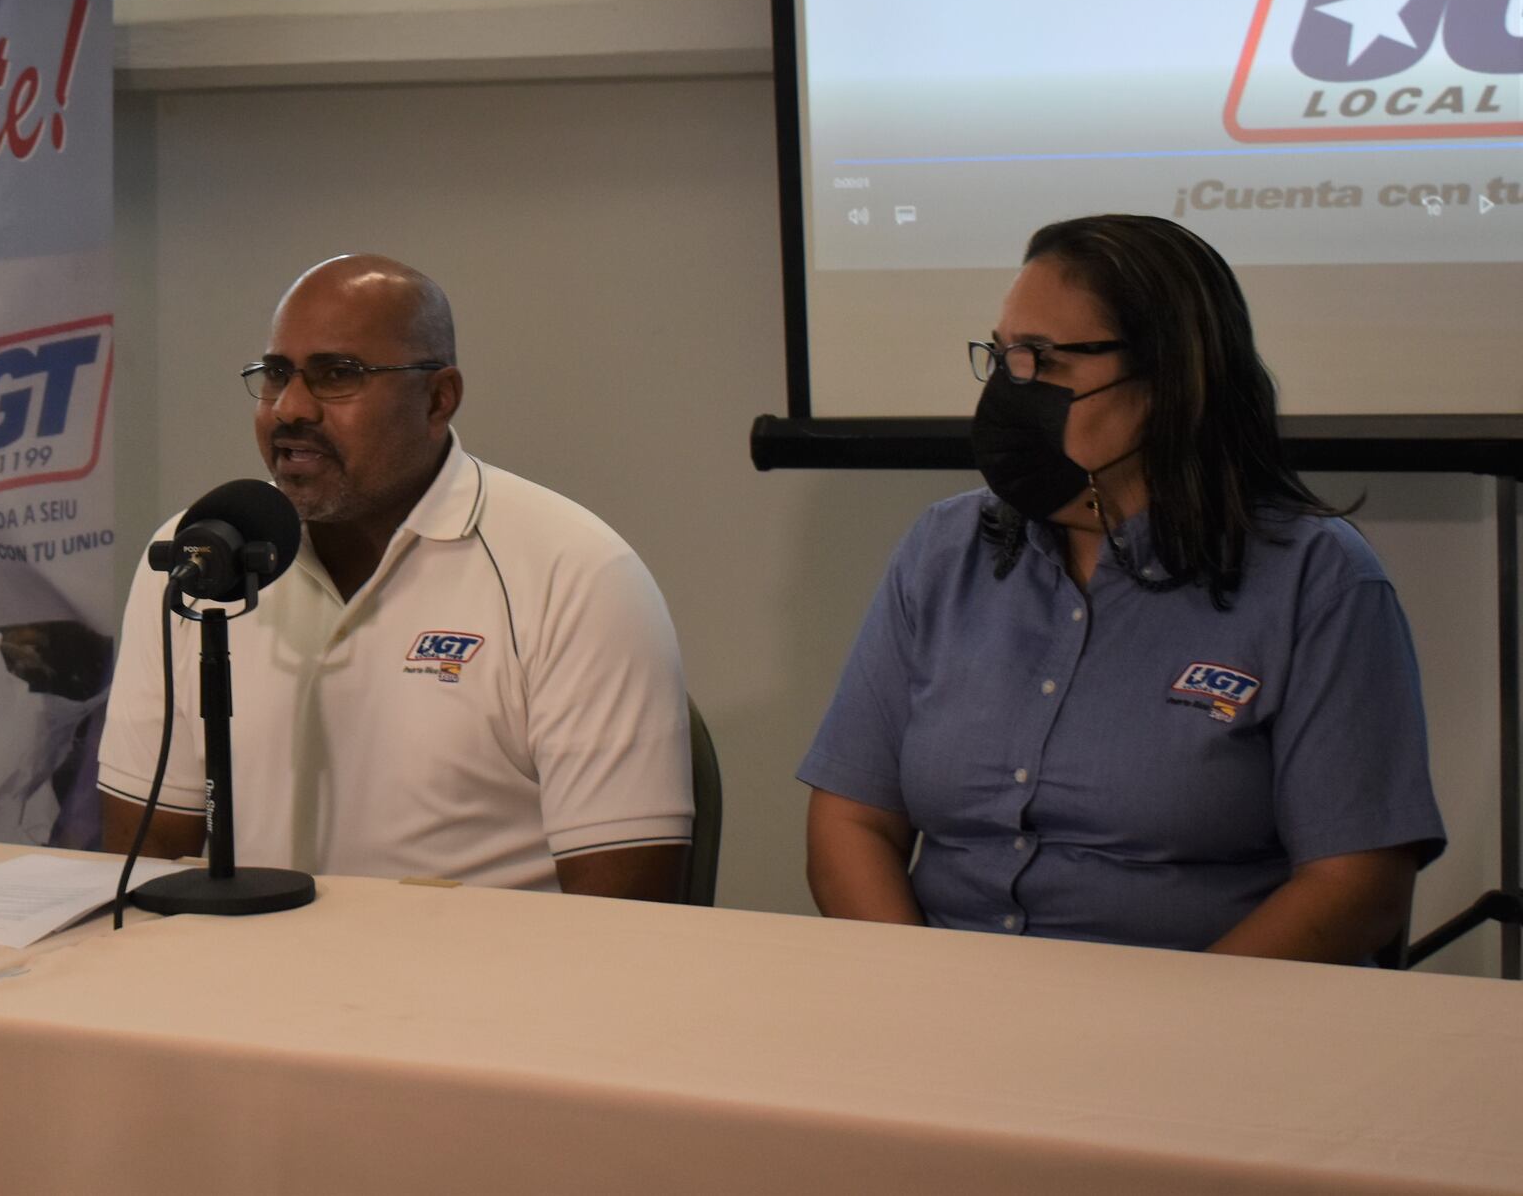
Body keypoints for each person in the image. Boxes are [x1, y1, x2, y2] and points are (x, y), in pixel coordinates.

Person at [800, 215, 1443, 960]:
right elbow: (851, 822)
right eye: (1002, 356)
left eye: (1043, 358)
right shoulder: (946, 550)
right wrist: (921, 992)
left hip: (1202, 1031)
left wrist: (1162, 1039)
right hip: (945, 1007)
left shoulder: (1318, 579)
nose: (1013, 388)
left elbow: (1355, 882)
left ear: (1169, 377)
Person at [98, 254, 692, 898]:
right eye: (276, 375)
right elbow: (146, 861)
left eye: (336, 375)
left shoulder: (576, 573)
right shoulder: (198, 553)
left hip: (483, 991)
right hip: (245, 984)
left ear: (439, 398)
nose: (290, 408)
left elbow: (627, 912)